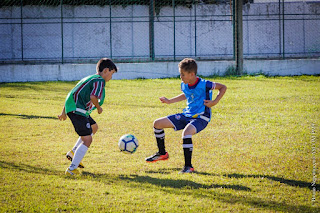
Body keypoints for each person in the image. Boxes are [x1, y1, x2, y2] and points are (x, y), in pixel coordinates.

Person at [145, 58, 227, 174]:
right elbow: (186, 95)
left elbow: (223, 87)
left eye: (183, 74)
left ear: (192, 74)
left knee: (186, 133)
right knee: (157, 124)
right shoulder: (185, 84)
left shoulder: (205, 84)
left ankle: (188, 167)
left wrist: (215, 101)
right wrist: (169, 101)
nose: (180, 77)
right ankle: (162, 153)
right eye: (180, 74)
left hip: (201, 117)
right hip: (186, 114)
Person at [58, 58, 117, 175]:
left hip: (76, 109)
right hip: (78, 110)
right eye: (112, 73)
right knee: (87, 139)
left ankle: (73, 152)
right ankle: (71, 169)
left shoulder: (89, 78)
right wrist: (99, 108)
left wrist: (64, 112)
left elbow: (71, 93)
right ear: (106, 70)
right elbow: (93, 97)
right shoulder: (100, 80)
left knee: (93, 127)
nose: (111, 77)